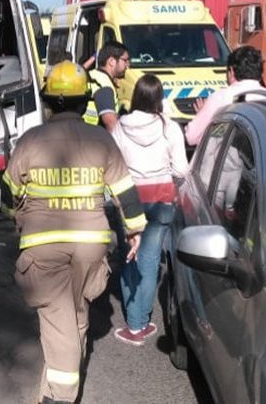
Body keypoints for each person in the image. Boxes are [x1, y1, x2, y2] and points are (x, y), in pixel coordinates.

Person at [1, 60, 146, 404]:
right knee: (75, 316)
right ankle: (53, 390)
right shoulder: (102, 139)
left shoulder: (31, 140)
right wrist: (136, 230)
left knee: (58, 321)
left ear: (48, 102)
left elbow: (7, 197)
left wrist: (17, 217)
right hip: (91, 245)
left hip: (42, 248)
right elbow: (125, 191)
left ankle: (60, 397)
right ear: (85, 103)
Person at [110, 74, 188, 346]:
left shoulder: (120, 127)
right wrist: (171, 182)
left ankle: (134, 326)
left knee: (129, 257)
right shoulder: (170, 129)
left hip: (128, 198)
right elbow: (181, 170)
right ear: (159, 99)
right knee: (150, 259)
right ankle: (143, 321)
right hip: (161, 198)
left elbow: (113, 166)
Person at [185, 46, 266, 146]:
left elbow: (191, 137)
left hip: (229, 161)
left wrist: (202, 115)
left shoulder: (219, 98)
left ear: (231, 72)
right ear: (260, 73)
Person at [84, 41, 130, 131]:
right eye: (125, 60)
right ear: (111, 61)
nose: (127, 65)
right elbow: (110, 123)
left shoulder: (93, 75)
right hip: (96, 139)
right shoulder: (104, 85)